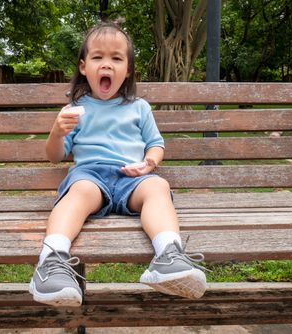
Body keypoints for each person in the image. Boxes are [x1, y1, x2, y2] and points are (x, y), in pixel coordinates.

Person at [29, 21, 207, 307]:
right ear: (83, 67)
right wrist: (57, 131)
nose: (107, 65)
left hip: (131, 177)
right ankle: (51, 262)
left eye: (116, 58)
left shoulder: (139, 107)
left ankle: (169, 256)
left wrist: (149, 163)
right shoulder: (74, 110)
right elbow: (55, 156)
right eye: (98, 57)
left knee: (158, 186)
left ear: (129, 70)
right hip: (91, 176)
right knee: (79, 192)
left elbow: (156, 144)